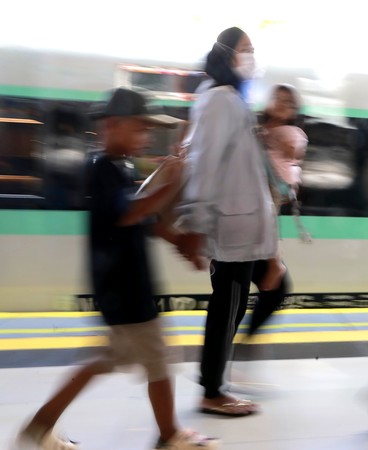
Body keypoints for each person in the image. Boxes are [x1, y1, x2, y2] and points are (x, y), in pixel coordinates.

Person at [15, 88, 219, 450]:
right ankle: (170, 436)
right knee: (158, 358)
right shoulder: (102, 169)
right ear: (112, 126)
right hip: (125, 288)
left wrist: (179, 242)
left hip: (121, 286)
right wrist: (171, 182)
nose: (147, 136)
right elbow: (130, 214)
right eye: (140, 128)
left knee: (105, 361)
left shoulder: (117, 169)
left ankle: (38, 426)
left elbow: (142, 220)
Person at [179, 27, 277, 417]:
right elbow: (204, 164)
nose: (251, 57)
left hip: (244, 226)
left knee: (235, 303)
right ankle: (212, 389)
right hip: (232, 227)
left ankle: (213, 378)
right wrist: (196, 224)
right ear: (225, 55)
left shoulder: (231, 100)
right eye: (245, 50)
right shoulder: (220, 100)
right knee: (228, 304)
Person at [252, 84, 307, 293]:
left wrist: (269, 138)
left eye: (288, 102)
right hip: (260, 184)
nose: (282, 104)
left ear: (294, 111)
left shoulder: (293, 132)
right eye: (278, 98)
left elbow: (294, 150)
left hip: (273, 185)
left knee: (267, 223)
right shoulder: (263, 130)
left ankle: (275, 264)